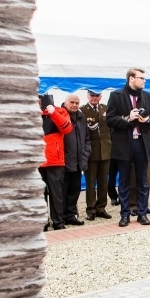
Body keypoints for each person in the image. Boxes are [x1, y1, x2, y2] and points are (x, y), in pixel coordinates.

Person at [106, 68, 150, 227]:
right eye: (141, 78)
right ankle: (125, 215)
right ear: (131, 79)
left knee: (143, 180)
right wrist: (128, 118)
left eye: (144, 79)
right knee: (124, 181)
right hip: (124, 144)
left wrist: (148, 119)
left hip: (142, 143)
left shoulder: (149, 96)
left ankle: (142, 213)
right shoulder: (116, 95)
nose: (144, 81)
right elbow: (109, 119)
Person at [39, 95, 73, 231]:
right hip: (37, 161)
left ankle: (58, 222)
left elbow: (67, 128)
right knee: (38, 194)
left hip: (55, 161)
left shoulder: (60, 111)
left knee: (56, 194)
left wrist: (53, 113)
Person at [80, 90, 112, 221]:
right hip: (91, 152)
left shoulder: (106, 108)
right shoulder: (82, 110)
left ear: (101, 97)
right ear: (88, 96)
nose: (94, 98)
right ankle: (91, 209)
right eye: (92, 96)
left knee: (104, 182)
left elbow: (111, 128)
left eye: (97, 96)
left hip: (105, 151)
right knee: (91, 183)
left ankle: (101, 208)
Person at [62, 94, 90, 226]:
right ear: (65, 102)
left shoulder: (81, 116)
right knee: (62, 191)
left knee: (75, 190)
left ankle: (71, 215)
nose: (74, 105)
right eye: (71, 102)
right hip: (64, 162)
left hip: (79, 161)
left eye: (77, 103)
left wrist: (86, 153)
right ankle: (60, 216)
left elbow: (87, 138)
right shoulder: (60, 115)